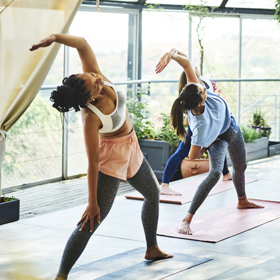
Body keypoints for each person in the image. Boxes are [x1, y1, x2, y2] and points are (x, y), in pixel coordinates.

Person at [30, 34, 172, 280]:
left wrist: (54, 37)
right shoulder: (90, 117)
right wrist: (91, 201)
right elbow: (93, 163)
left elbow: (82, 44)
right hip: (111, 157)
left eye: (92, 75)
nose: (98, 78)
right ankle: (61, 275)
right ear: (89, 99)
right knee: (93, 219)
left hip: (132, 148)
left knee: (153, 193)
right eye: (94, 83)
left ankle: (152, 248)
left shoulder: (94, 76)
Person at [155, 48, 263, 235]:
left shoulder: (194, 91)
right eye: (202, 89)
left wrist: (171, 55)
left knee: (241, 165)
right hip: (219, 139)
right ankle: (186, 219)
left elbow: (187, 64)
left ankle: (242, 200)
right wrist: (210, 140)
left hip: (232, 128)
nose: (205, 86)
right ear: (199, 102)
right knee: (214, 174)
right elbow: (192, 156)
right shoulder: (200, 127)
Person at [161, 69, 233, 196]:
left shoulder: (196, 86)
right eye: (194, 69)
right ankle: (165, 185)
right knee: (182, 152)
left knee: (216, 142)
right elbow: (191, 117)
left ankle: (226, 173)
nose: (197, 69)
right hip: (197, 127)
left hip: (207, 124)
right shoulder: (193, 88)